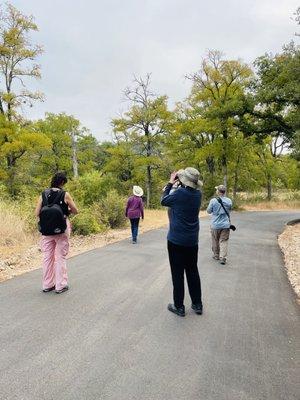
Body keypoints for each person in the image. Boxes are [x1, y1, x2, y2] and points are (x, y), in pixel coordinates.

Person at [161, 168, 203, 317]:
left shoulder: (178, 194)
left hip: (176, 241)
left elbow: (163, 200)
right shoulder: (198, 195)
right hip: (192, 240)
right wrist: (178, 184)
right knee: (192, 271)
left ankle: (179, 306)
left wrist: (171, 182)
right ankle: (197, 304)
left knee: (177, 273)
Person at [35, 172, 78, 294]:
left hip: (46, 231)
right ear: (62, 182)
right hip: (61, 229)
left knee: (47, 257)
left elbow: (37, 213)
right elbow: (76, 210)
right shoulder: (65, 194)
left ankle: (47, 285)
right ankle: (60, 285)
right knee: (60, 257)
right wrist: (67, 210)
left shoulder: (43, 194)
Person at [207, 185, 232, 265]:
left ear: (218, 191)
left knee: (215, 240)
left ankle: (216, 255)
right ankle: (223, 257)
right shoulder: (229, 201)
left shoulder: (213, 201)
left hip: (215, 224)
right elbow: (229, 209)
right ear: (224, 192)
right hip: (225, 224)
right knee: (223, 241)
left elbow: (208, 211)